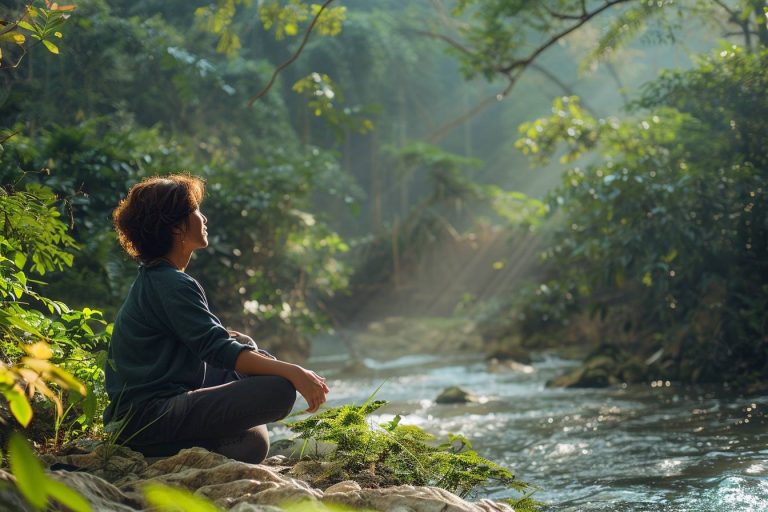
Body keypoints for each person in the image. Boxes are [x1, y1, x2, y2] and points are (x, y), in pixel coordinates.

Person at [103, 174, 329, 463]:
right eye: (195, 210)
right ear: (176, 228)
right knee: (280, 389)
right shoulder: (171, 282)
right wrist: (295, 372)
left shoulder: (156, 279)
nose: (203, 217)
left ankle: (165, 450)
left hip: (145, 415)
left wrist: (250, 350)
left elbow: (210, 344)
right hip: (149, 416)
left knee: (253, 442)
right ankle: (152, 447)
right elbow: (217, 349)